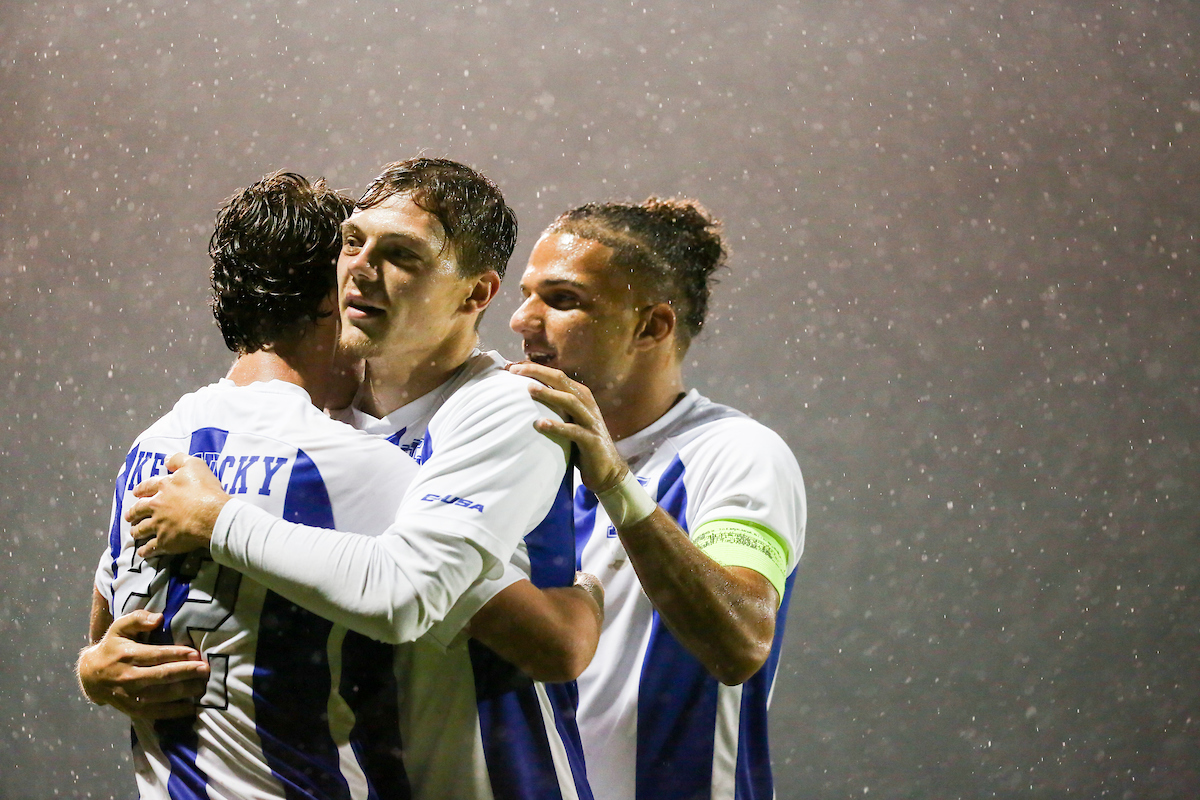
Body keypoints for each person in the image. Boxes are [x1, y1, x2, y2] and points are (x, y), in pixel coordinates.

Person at [115, 158, 597, 799]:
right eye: (353, 241)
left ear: (476, 294)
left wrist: (218, 520)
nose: (362, 268)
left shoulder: (508, 407)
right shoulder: (322, 417)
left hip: (502, 780)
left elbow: (442, 606)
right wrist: (102, 668)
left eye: (401, 254)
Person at [506, 197, 807, 800]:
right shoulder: (526, 457)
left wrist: (616, 485)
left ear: (653, 327)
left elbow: (741, 640)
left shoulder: (737, 452)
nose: (522, 320)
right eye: (526, 293)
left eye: (562, 299)